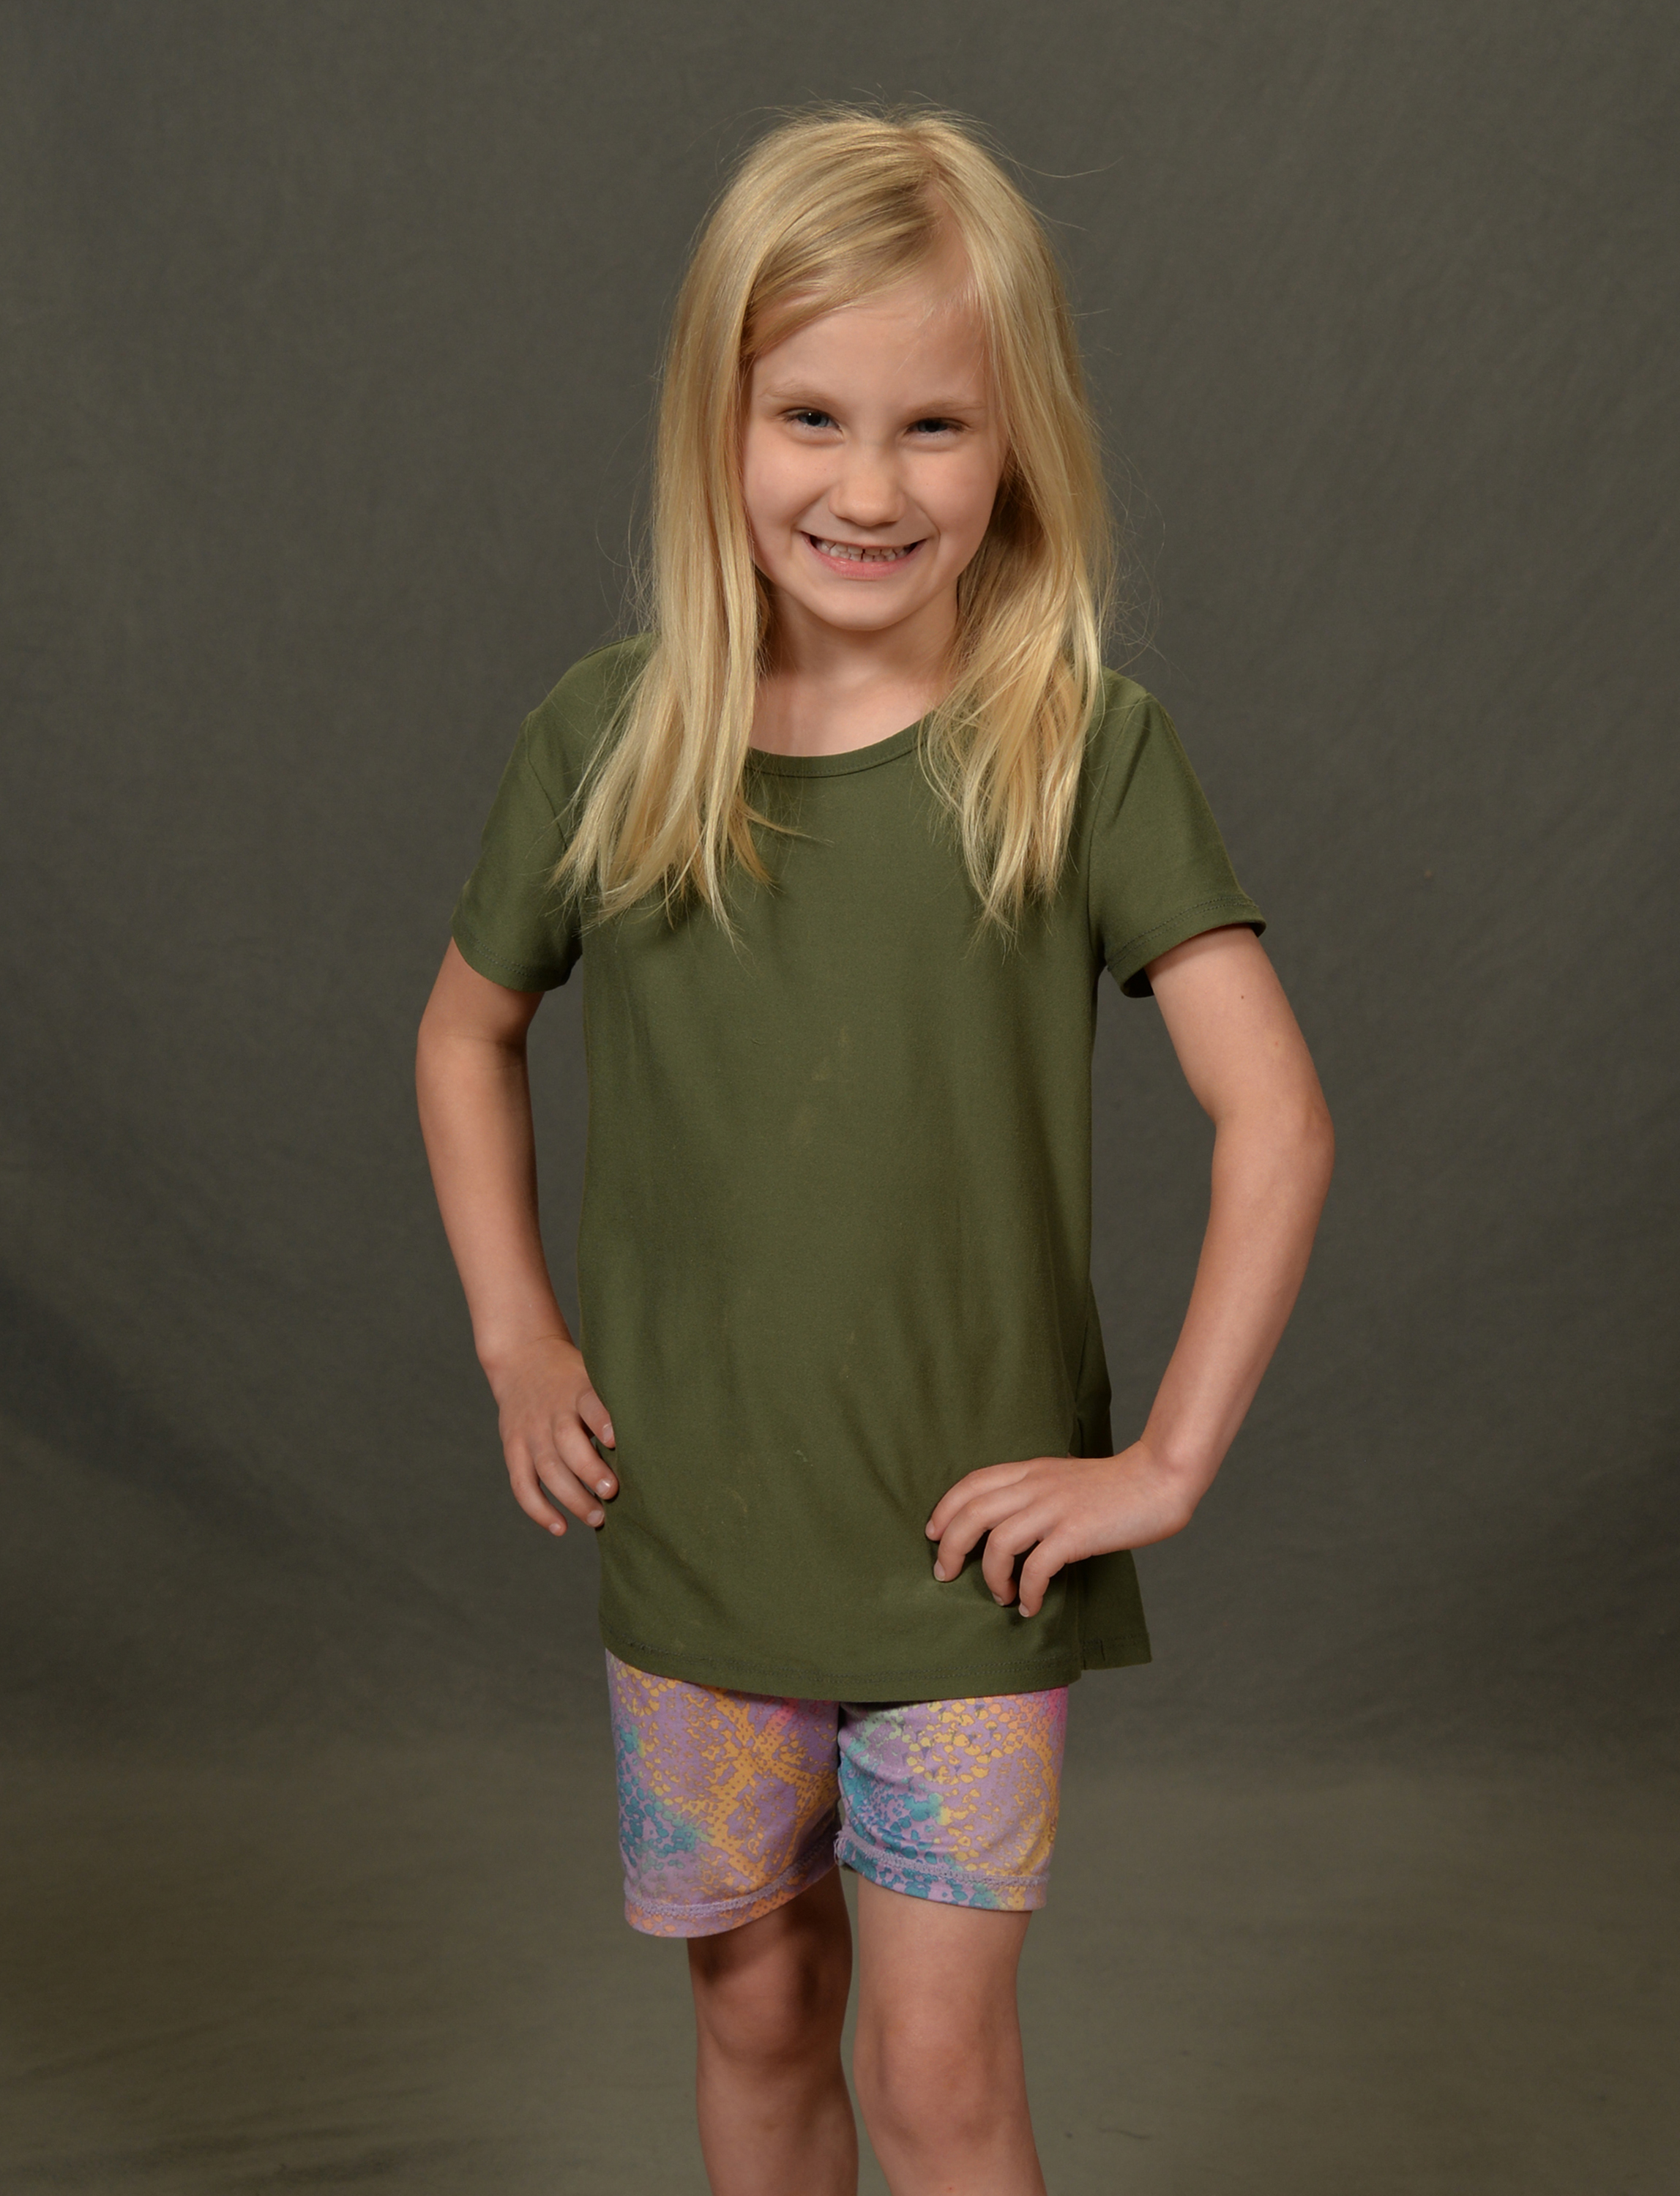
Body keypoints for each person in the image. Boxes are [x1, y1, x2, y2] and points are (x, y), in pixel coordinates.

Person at [417, 105, 1333, 2196]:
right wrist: (516, 1338)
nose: (867, 486)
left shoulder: (1079, 751)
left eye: (935, 427)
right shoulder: (609, 742)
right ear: (718, 423)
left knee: (937, 2072)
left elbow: (1277, 1115)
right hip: (699, 1546)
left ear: (1020, 445)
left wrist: (1165, 1464)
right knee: (757, 2017)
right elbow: (465, 1033)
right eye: (811, 417)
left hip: (965, 1570)